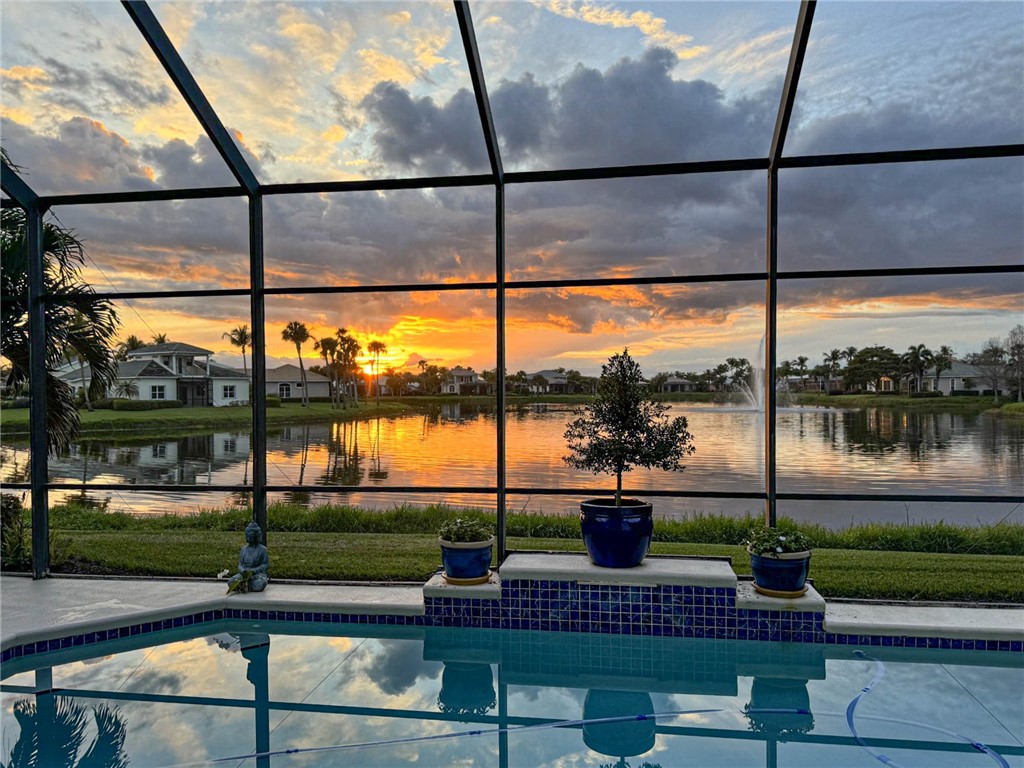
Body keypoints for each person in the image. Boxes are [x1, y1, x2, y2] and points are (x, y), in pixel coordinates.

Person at [229, 521, 269, 592]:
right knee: (231, 582)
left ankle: (245, 586)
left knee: (260, 583)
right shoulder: (244, 549)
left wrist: (253, 571)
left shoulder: (262, 550)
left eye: (251, 535)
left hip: (257, 575)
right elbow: (240, 564)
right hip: (244, 575)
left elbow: (265, 565)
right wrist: (242, 570)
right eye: (247, 535)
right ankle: (244, 585)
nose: (249, 537)